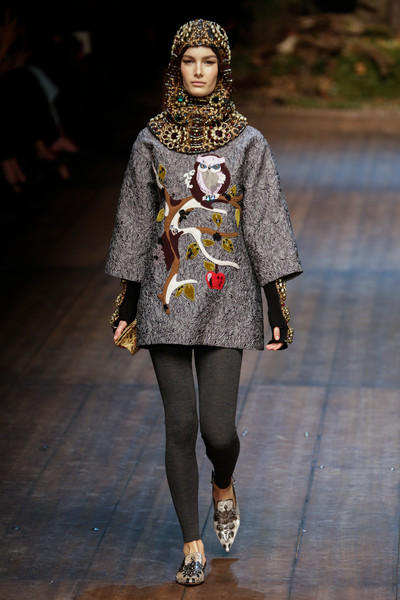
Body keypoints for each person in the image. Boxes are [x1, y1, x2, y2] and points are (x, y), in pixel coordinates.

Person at [105, 19, 303, 586]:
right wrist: (127, 304)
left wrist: (277, 305)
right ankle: (192, 544)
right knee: (180, 424)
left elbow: (264, 221)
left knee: (218, 431)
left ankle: (223, 481)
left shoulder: (248, 141)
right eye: (189, 61)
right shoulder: (150, 139)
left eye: (208, 61)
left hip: (227, 294)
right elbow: (136, 222)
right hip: (166, 295)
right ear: (176, 68)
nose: (198, 71)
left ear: (223, 69)